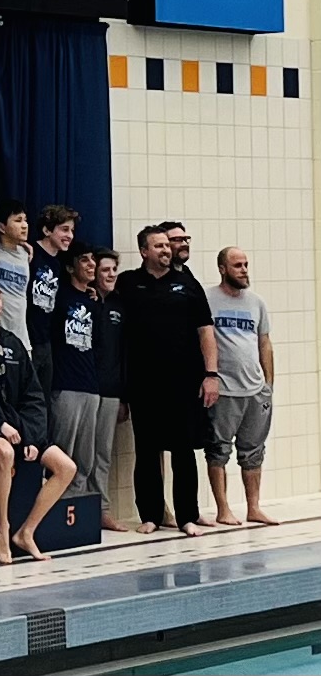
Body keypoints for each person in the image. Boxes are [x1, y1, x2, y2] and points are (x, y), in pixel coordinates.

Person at [116, 226, 219, 537]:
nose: (165, 250)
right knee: (146, 451)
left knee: (184, 450)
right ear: (144, 251)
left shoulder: (187, 283)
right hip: (143, 382)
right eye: (158, 246)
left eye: (167, 245)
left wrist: (211, 375)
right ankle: (150, 515)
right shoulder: (129, 283)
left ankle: (188, 515)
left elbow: (206, 331)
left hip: (185, 382)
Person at [0, 277, 76, 565]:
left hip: (19, 426)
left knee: (66, 467)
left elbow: (33, 396)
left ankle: (26, 532)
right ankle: (2, 527)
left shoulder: (12, 343)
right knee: (3, 451)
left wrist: (31, 437)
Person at [205, 247, 276, 526]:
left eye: (246, 264)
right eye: (237, 265)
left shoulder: (256, 302)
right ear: (222, 268)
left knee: (254, 450)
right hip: (224, 388)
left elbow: (264, 343)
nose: (244, 270)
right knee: (218, 449)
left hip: (255, 389)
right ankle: (223, 508)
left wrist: (268, 383)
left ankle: (254, 507)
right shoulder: (208, 299)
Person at [50, 241, 99, 496]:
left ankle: (77, 508)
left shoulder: (93, 300)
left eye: (93, 259)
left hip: (90, 385)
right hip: (65, 383)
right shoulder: (60, 297)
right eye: (84, 260)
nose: (91, 264)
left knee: (85, 457)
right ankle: (54, 507)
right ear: (70, 267)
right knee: (62, 453)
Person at [90, 247, 128, 531]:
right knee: (82, 452)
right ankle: (78, 506)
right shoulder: (85, 302)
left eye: (114, 270)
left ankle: (101, 508)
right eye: (105, 270)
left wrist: (124, 396)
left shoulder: (119, 306)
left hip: (111, 389)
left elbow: (124, 353)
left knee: (103, 453)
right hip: (86, 387)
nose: (111, 275)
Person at [27, 206, 78, 413]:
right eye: (64, 230)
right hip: (27, 337)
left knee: (43, 402)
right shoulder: (30, 254)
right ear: (47, 230)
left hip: (45, 341)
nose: (69, 236)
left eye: (72, 231)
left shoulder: (57, 264)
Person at [0, 200, 31, 349]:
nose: (24, 225)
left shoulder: (27, 254)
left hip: (22, 340)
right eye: (18, 221)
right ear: (1, 227)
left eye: (25, 220)